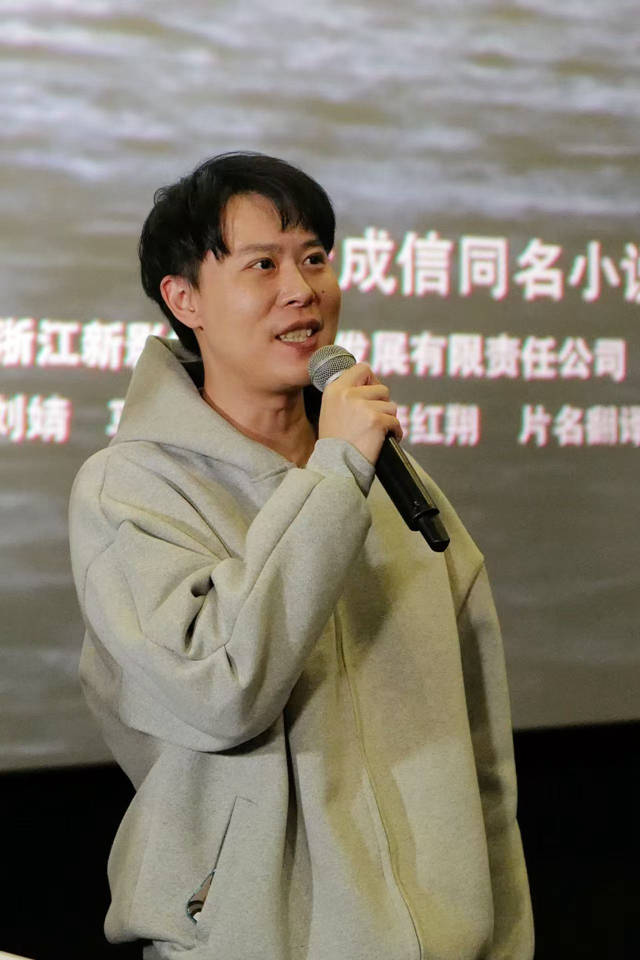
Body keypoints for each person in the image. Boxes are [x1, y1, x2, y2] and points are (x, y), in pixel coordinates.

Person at [69, 151, 534, 960]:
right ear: (184, 299)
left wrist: (504, 936)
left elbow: (482, 753)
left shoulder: (396, 484)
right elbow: (222, 691)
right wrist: (337, 472)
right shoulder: (129, 490)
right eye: (263, 264)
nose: (302, 289)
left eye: (314, 258)